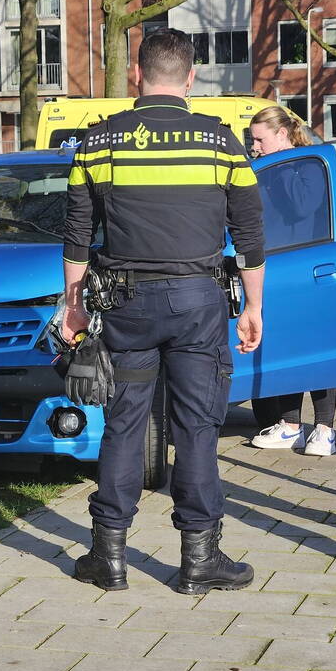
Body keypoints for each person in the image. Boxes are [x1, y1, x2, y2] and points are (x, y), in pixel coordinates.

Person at [62, 29, 266, 595]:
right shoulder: (223, 145)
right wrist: (253, 306)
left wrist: (74, 307)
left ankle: (109, 555)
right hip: (199, 303)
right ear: (191, 78)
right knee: (197, 426)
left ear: (137, 74)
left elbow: (77, 235)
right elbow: (249, 236)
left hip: (124, 303)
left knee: (124, 422)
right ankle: (200, 558)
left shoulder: (98, 143)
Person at [246, 106, 336, 457]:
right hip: (279, 266)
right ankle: (291, 426)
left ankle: (325, 428)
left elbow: (303, 206)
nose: (254, 146)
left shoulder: (308, 164)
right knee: (285, 346)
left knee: (316, 348)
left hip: (310, 264)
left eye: (260, 139)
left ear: (282, 134)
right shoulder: (268, 167)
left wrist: (282, 163)